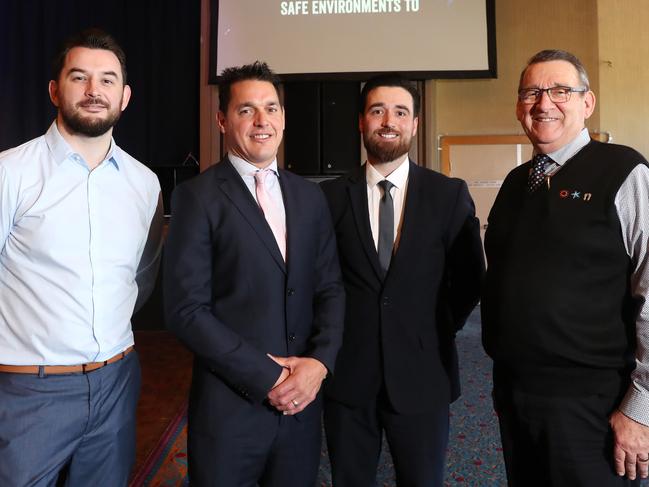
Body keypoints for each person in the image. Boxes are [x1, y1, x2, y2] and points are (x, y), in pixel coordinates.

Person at [163, 61, 345, 486]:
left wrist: (318, 364)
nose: (262, 120)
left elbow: (331, 289)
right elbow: (186, 310)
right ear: (223, 119)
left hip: (302, 407)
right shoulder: (197, 197)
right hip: (231, 412)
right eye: (247, 110)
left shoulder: (309, 196)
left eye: (272, 108)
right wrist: (271, 378)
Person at [0, 28, 163, 486]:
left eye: (108, 80)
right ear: (55, 89)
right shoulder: (11, 172)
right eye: (80, 77)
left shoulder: (144, 183)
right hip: (29, 388)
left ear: (125, 96)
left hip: (117, 381)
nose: (95, 91)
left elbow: (142, 278)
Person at [482, 49, 649, 486]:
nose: (543, 103)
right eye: (531, 93)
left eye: (560, 91)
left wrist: (641, 408)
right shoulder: (517, 183)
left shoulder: (624, 171)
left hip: (593, 405)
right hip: (517, 395)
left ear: (587, 103)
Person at [320, 74, 484, 486]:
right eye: (377, 111)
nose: (388, 121)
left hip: (423, 372)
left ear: (414, 124)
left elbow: (468, 279)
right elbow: (319, 283)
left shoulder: (448, 195)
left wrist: (435, 329)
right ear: (361, 122)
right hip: (348, 375)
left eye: (400, 112)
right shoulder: (329, 198)